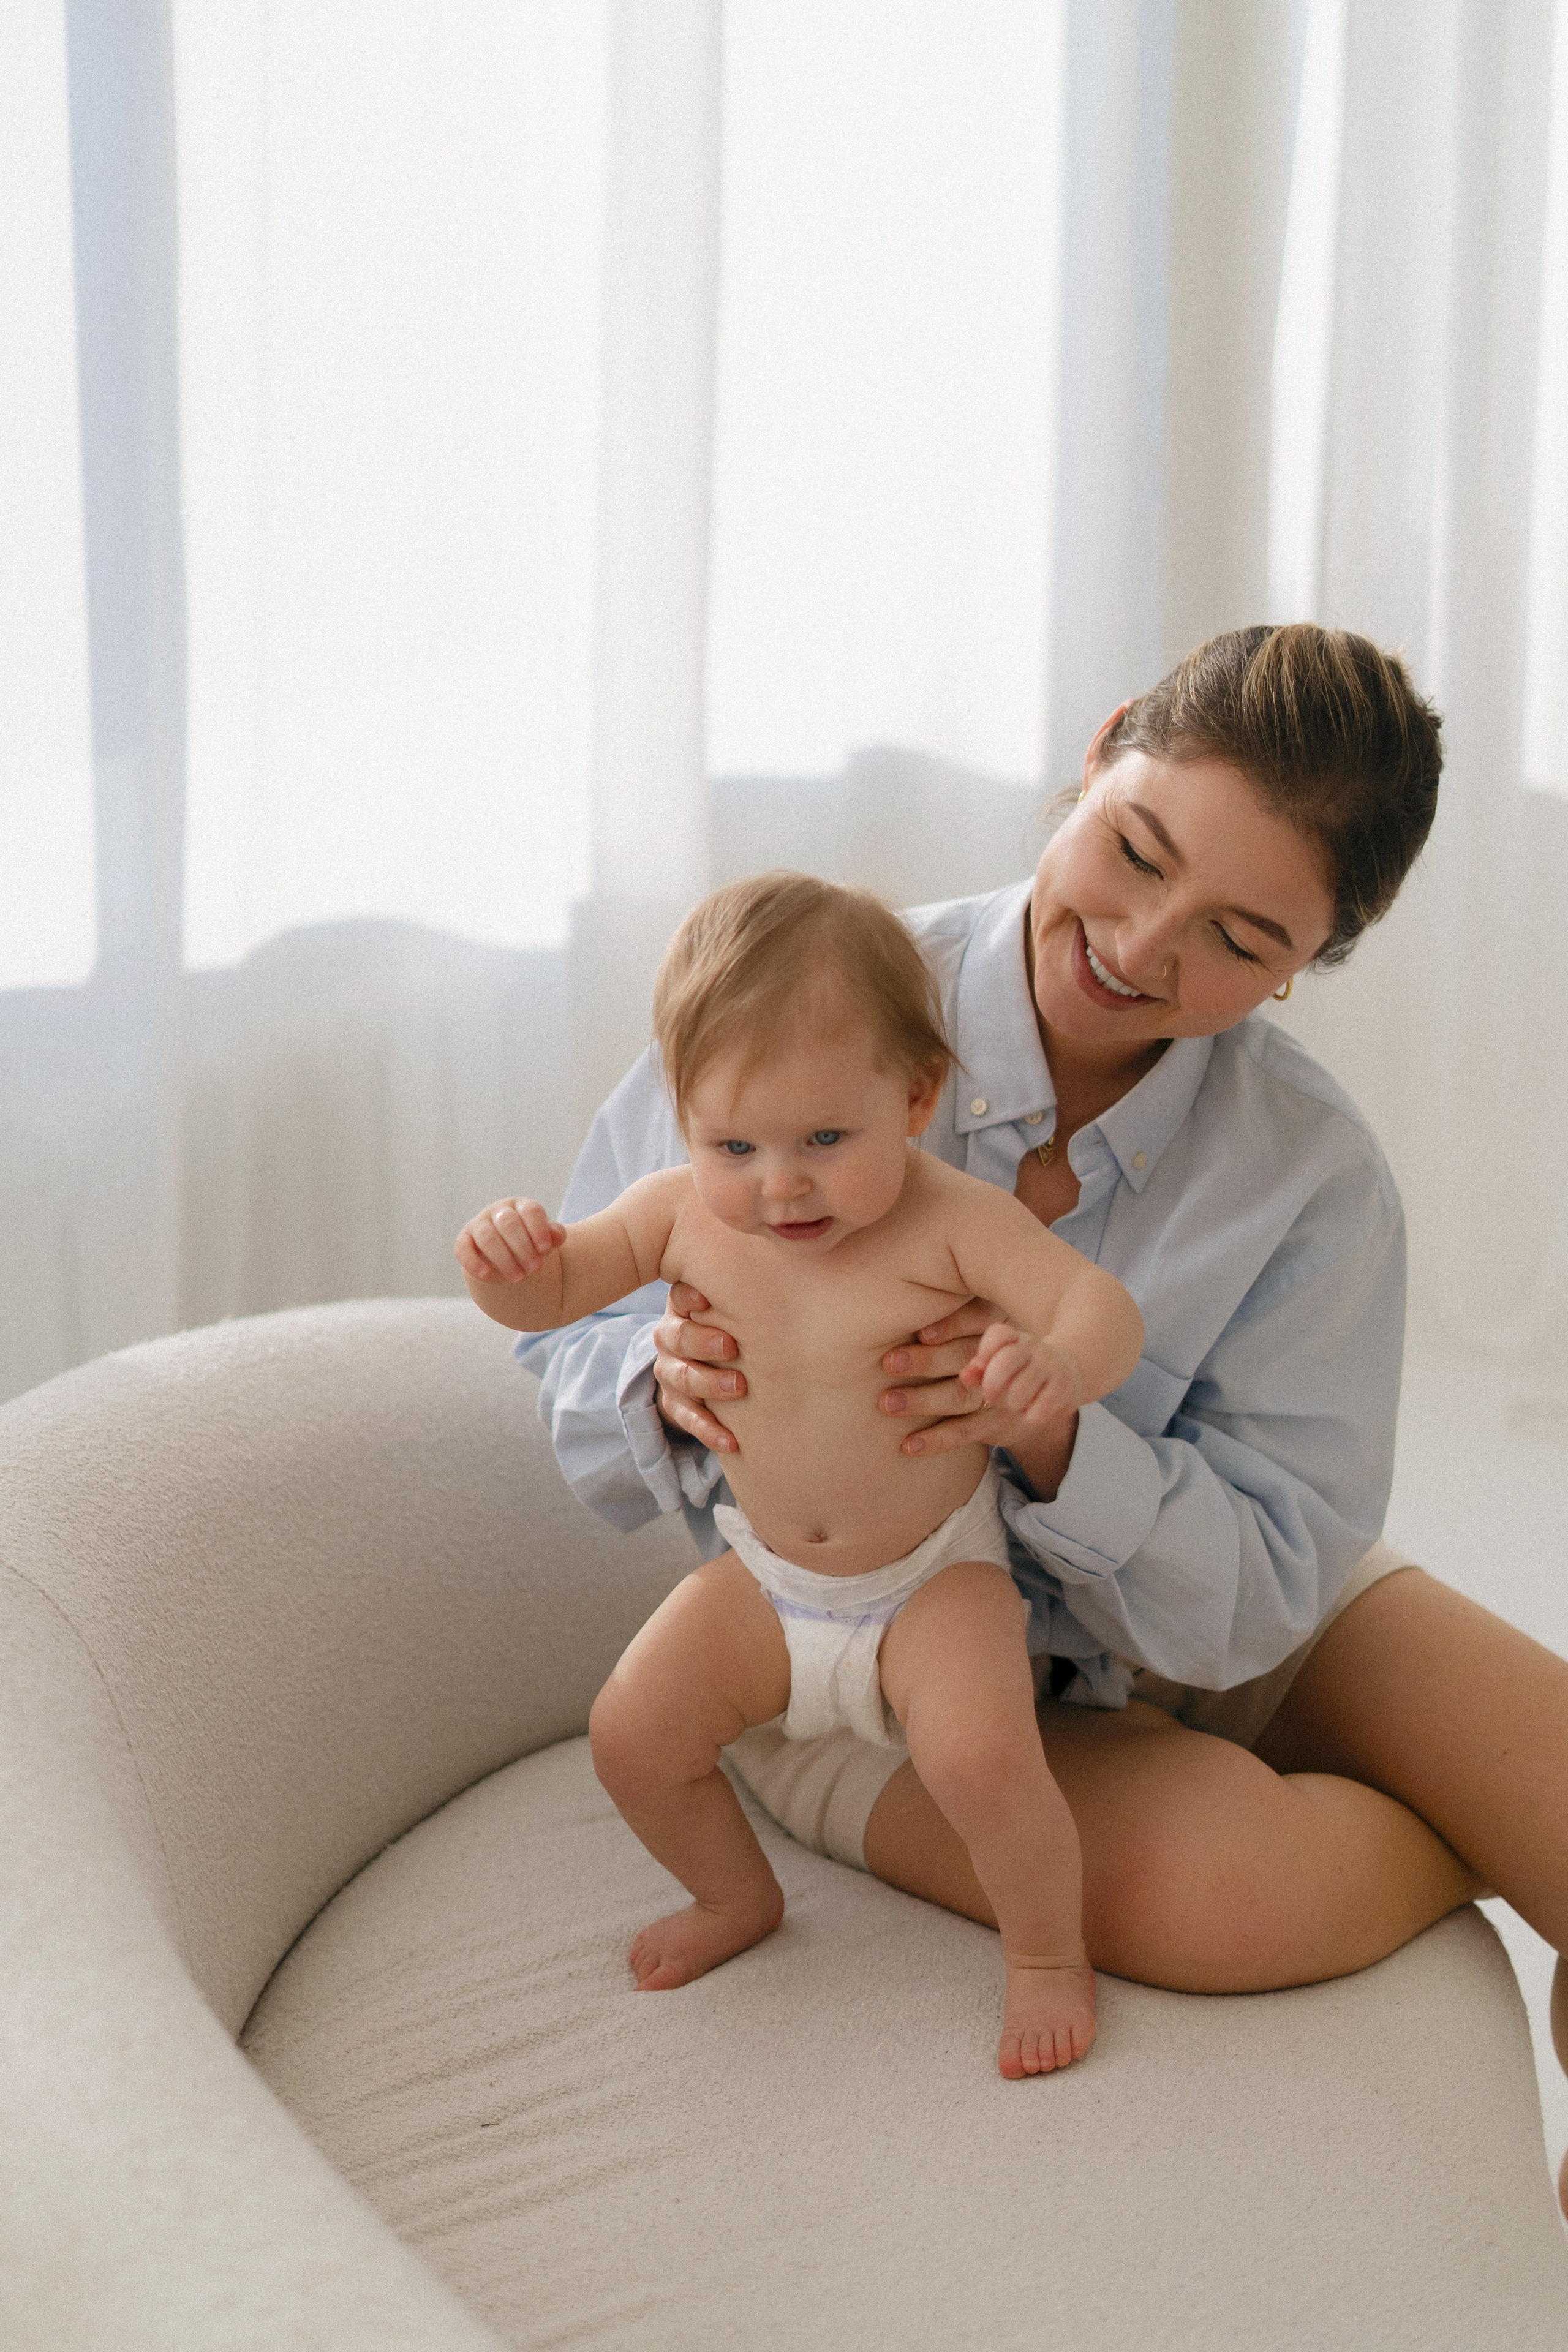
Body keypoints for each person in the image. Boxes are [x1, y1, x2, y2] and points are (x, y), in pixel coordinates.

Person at [520, 623, 1568, 2211]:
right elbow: (591, 1300)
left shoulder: (1312, 1173)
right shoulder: (822, 988)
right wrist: (656, 1380)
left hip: (1196, 1580)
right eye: (1134, 851)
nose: (1144, 947)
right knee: (1231, 1896)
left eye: (1240, 936)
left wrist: (1065, 1440)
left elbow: (1283, 1557)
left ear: (1310, 961)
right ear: (1100, 752)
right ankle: (1477, 1843)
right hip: (869, 1659)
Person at [457, 874, 1144, 2077]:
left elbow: (1096, 1304)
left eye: (826, 1140)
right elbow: (555, 1297)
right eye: (736, 1144)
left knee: (985, 1762)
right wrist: (507, 1266)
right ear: (682, 1118)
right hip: (767, 1582)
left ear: (915, 1095)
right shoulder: (674, 1213)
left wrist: (1057, 1363)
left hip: (935, 1583)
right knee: (630, 1733)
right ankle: (735, 1899)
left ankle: (1044, 1953)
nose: (781, 1184)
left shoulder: (949, 1219)